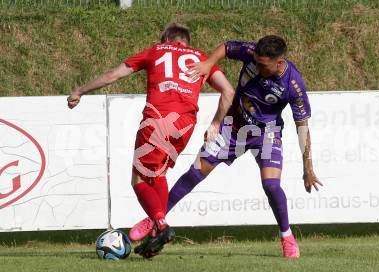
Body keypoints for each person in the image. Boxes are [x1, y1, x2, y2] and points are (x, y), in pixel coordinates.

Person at [141, 35, 323, 259]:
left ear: (279, 62)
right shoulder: (250, 52)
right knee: (194, 173)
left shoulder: (293, 84)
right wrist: (208, 63)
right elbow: (226, 48)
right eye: (255, 61)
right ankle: (155, 220)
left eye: (263, 65)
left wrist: (308, 168)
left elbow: (302, 126)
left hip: (265, 133)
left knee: (271, 185)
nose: (257, 66)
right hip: (232, 126)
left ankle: (286, 236)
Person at [66, 23, 235, 258]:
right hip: (184, 124)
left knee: (138, 179)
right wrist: (215, 124)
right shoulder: (202, 58)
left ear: (165, 38)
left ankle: (161, 225)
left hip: (157, 119)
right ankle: (157, 230)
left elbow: (113, 75)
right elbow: (228, 92)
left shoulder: (157, 50)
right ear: (187, 41)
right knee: (158, 175)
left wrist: (80, 91)